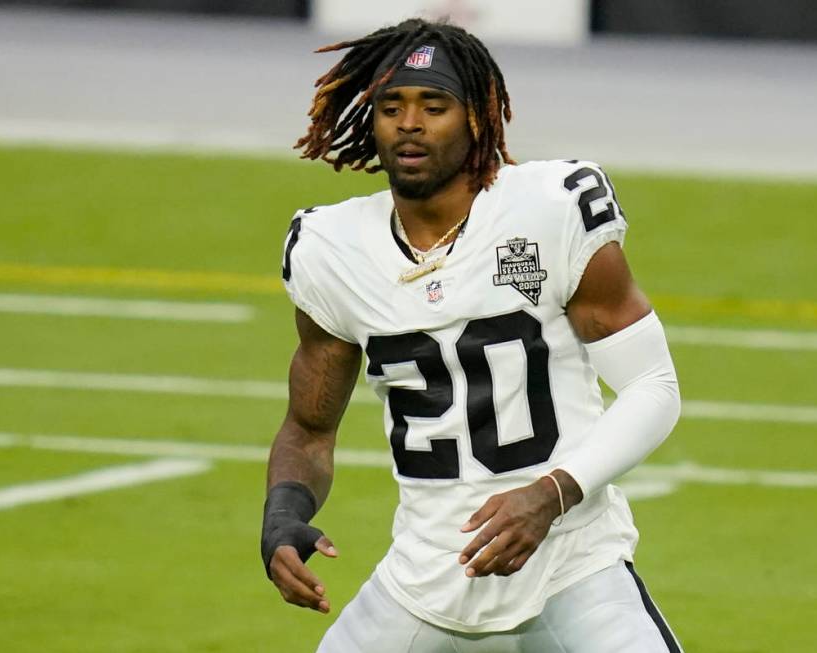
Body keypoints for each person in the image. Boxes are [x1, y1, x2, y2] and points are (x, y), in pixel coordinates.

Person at [262, 17, 683, 652]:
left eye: (434, 106)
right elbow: (309, 429)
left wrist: (551, 493)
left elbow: (653, 385)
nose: (409, 123)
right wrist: (284, 514)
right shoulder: (330, 248)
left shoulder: (551, 208)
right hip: (428, 572)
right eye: (391, 106)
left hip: (572, 559)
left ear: (477, 120)